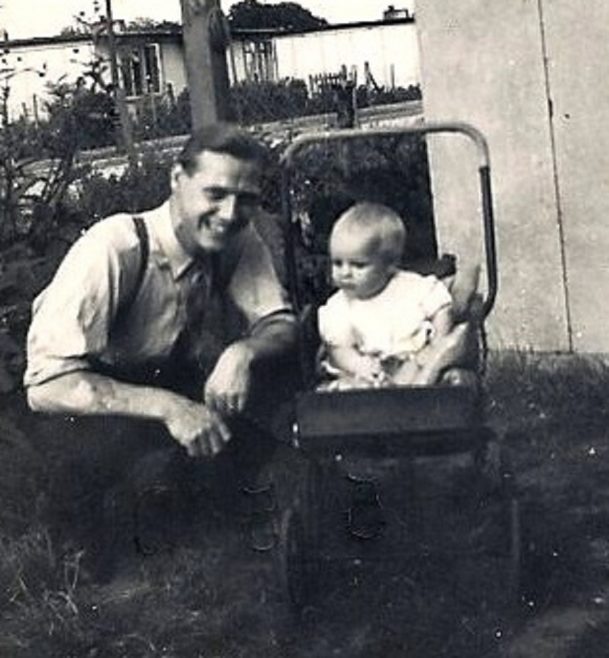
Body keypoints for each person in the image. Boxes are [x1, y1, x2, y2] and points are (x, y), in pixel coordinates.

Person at [24, 123, 298, 573]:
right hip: (83, 394)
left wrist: (242, 353)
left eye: (245, 198)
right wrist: (171, 408)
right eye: (215, 193)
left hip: (166, 374)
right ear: (177, 180)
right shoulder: (116, 246)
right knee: (89, 517)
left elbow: (279, 322)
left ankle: (195, 504)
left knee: (280, 373)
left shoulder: (235, 240)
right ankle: (84, 552)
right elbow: (46, 384)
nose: (230, 213)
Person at [318, 202, 467, 390]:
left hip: (415, 360)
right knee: (348, 389)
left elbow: (440, 305)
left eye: (358, 265)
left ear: (389, 264)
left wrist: (439, 338)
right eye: (337, 263)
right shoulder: (338, 307)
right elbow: (339, 350)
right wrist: (360, 365)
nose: (345, 272)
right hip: (368, 371)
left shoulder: (411, 286)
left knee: (435, 365)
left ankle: (422, 386)